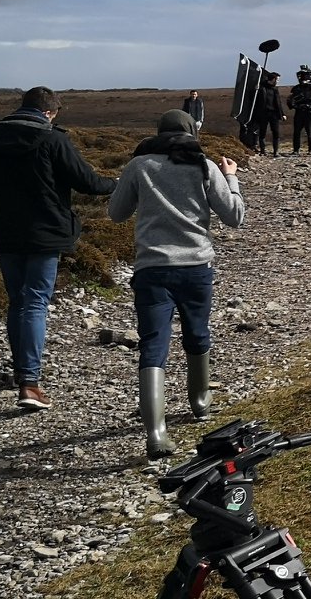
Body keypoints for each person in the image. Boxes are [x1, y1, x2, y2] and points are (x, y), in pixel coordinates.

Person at [0, 86, 117, 411]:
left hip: (5, 232)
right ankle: (29, 384)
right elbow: (87, 182)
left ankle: (23, 377)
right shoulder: (53, 139)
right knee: (35, 303)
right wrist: (119, 183)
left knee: (18, 302)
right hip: (46, 233)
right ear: (49, 112)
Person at [107, 109, 245, 458]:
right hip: (196, 266)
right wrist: (231, 179)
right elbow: (234, 217)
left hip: (151, 269)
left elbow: (115, 214)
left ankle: (156, 433)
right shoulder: (204, 166)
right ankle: (201, 402)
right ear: (189, 132)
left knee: (153, 345)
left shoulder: (139, 166)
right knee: (197, 335)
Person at [288, 68, 311, 155]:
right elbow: (291, 100)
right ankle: (296, 149)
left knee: (310, 132)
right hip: (299, 111)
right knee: (297, 132)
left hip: (309, 112)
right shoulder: (296, 88)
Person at [252, 71, 283, 157]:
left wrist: (282, 114)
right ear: (273, 79)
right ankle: (263, 150)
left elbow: (278, 103)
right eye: (277, 80)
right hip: (263, 114)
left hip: (274, 114)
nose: (278, 82)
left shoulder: (275, 89)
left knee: (276, 132)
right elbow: (253, 99)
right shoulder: (261, 88)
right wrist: (255, 90)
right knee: (262, 132)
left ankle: (275, 151)